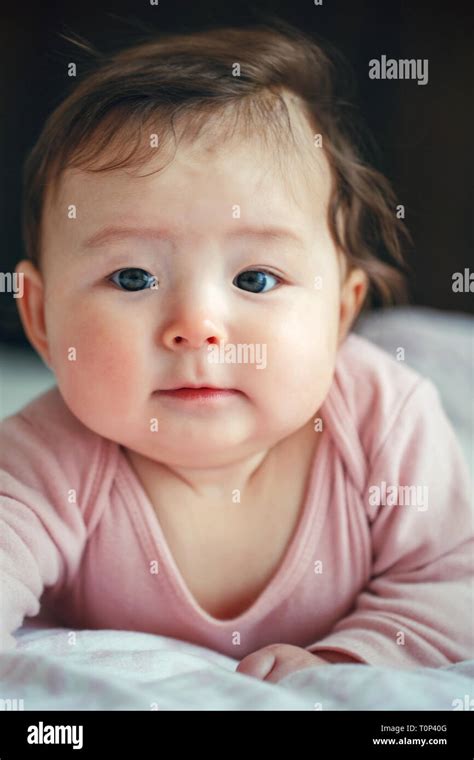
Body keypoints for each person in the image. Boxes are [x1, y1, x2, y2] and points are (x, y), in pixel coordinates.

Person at [1, 17, 472, 684]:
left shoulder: (383, 422)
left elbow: (452, 579)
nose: (196, 327)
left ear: (340, 314)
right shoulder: (48, 457)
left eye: (256, 279)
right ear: (43, 320)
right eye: (132, 278)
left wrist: (348, 659)